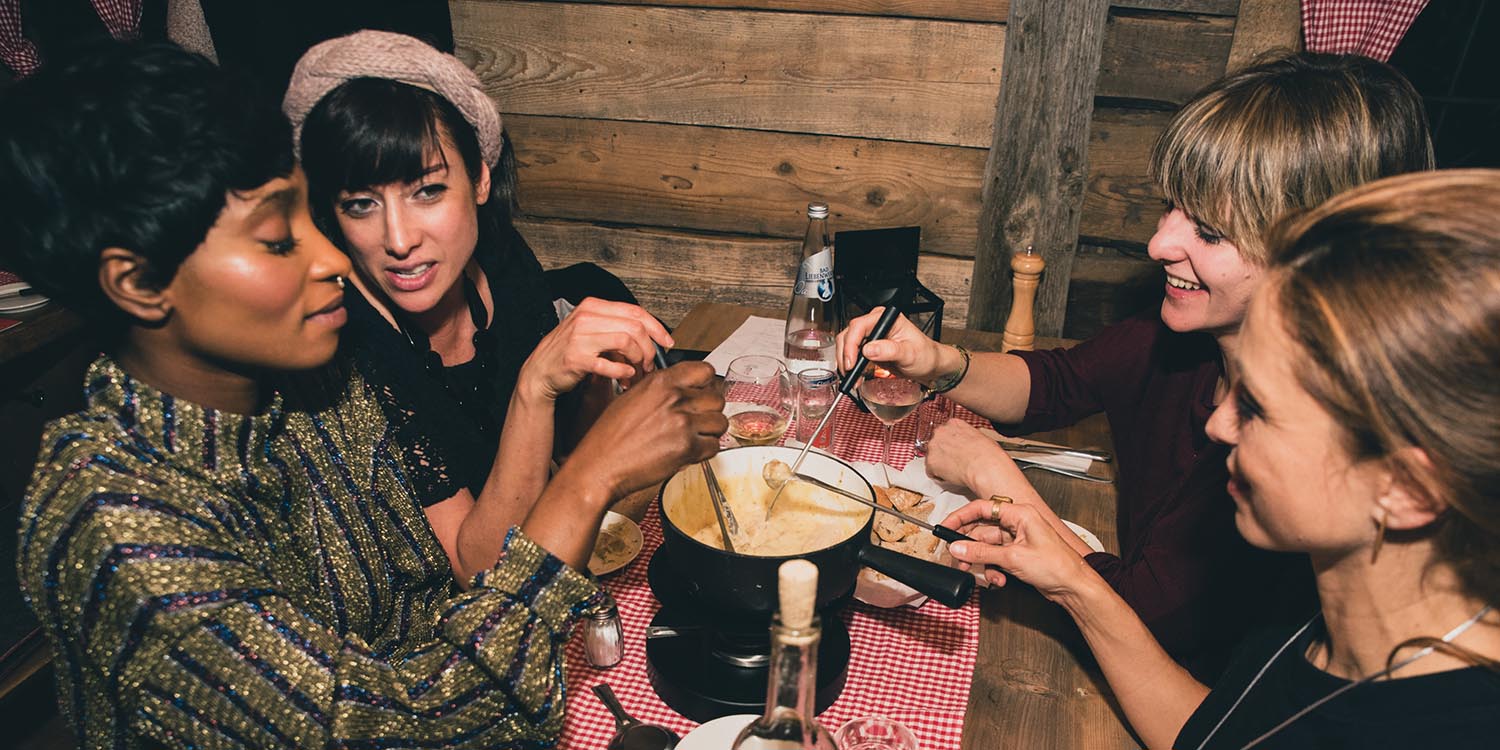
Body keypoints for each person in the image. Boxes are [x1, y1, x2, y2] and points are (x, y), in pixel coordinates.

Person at [1, 41, 726, 748]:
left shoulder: (306, 383)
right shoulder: (127, 541)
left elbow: (438, 598)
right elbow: (429, 724)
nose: (334, 258)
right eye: (280, 240)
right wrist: (591, 474)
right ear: (140, 284)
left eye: (306, 217)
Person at [837, 52, 1434, 677]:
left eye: (1207, 231)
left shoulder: (1302, 449)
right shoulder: (1181, 336)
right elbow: (1059, 384)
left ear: (1321, 255)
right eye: (1169, 208)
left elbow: (1146, 618)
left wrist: (996, 477)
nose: (1158, 245)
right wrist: (939, 361)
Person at [942, 169, 1500, 749]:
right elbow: (1214, 733)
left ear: (1407, 487)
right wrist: (1074, 585)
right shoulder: (1325, 612)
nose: (1216, 422)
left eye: (1257, 405)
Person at [283, 30, 664, 580]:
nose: (398, 239)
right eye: (362, 204)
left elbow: (566, 462)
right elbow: (480, 570)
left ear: (480, 178)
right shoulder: (352, 347)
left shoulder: (500, 261)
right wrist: (535, 386)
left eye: (427, 191)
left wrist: (599, 376)